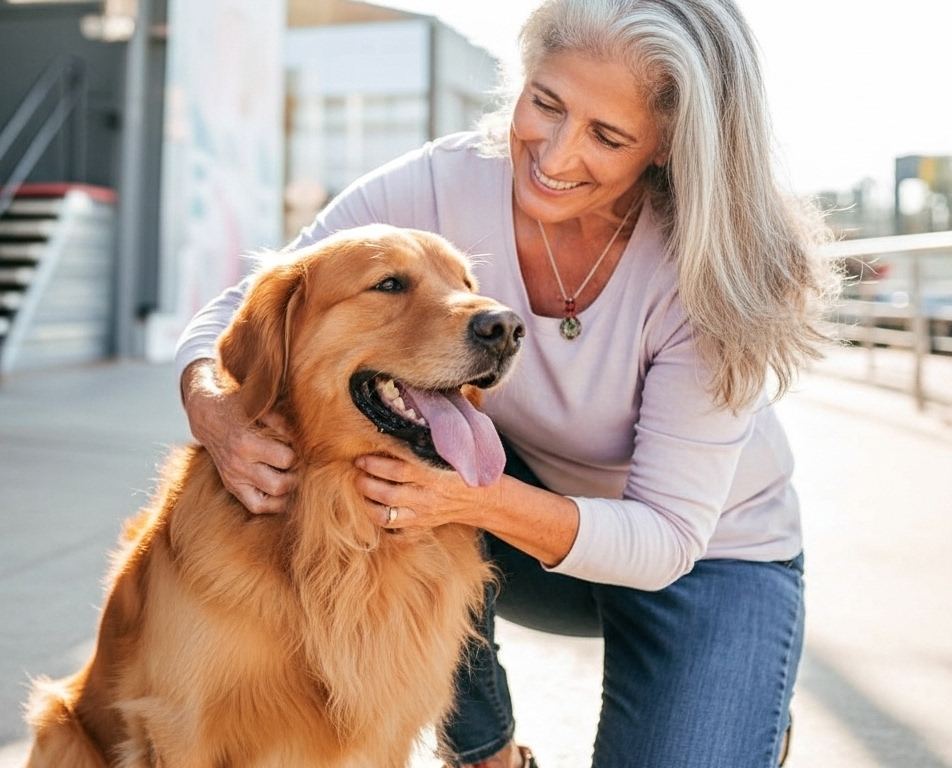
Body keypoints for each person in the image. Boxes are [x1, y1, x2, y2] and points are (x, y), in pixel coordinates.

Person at [174, 0, 838, 766]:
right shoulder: (445, 182)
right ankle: (485, 751)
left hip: (708, 556)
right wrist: (210, 403)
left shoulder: (710, 274)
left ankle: (740, 702)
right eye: (545, 104)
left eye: (607, 136)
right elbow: (254, 300)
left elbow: (663, 542)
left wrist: (473, 498)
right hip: (519, 527)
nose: (553, 157)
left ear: (665, 148)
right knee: (370, 446)